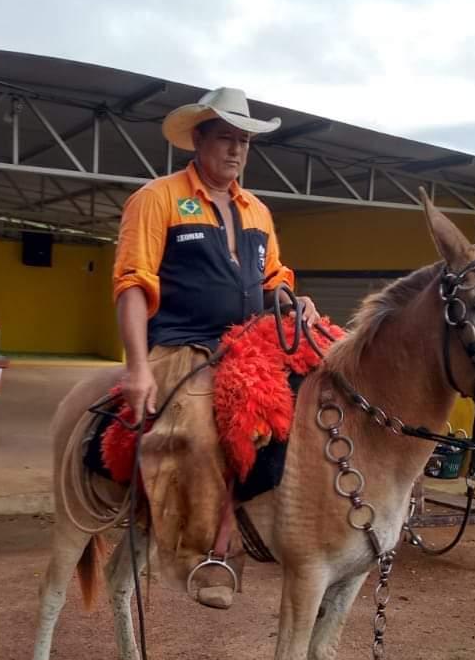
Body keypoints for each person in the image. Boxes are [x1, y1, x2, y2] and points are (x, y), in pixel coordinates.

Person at [112, 87, 320, 605]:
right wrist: (138, 369)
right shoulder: (156, 198)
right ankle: (202, 556)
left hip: (245, 344)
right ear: (197, 139)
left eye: (244, 142)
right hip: (179, 346)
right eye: (225, 138)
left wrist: (297, 303)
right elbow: (133, 284)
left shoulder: (257, 211)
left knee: (318, 400)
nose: (236, 151)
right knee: (203, 432)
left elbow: (273, 279)